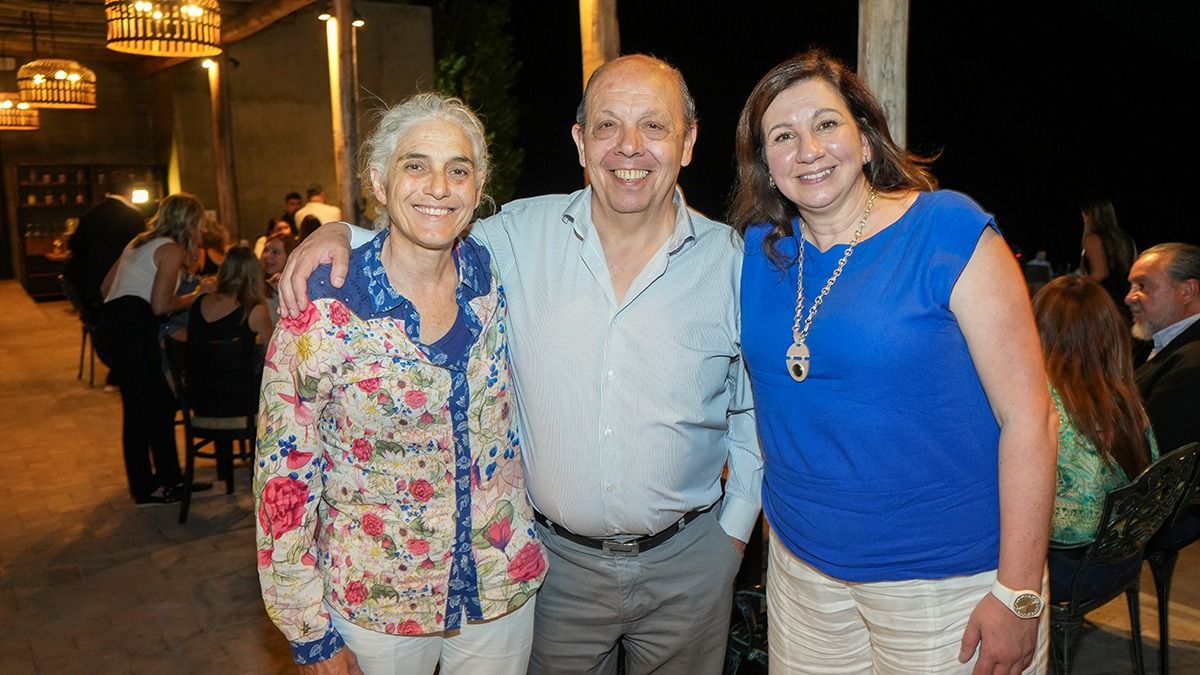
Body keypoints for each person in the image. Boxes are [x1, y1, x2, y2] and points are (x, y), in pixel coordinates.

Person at [277, 54, 762, 675]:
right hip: (556, 570)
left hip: (691, 562)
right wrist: (343, 232)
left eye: (655, 126)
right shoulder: (515, 236)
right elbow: (425, 231)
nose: (629, 147)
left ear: (689, 141)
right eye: (608, 126)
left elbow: (753, 408)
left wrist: (734, 534)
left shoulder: (731, 262)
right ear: (581, 142)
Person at [728, 49, 1056, 673]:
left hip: (948, 585)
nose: (808, 149)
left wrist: (1018, 593)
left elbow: (1031, 419)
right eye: (783, 136)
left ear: (867, 140)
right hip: (803, 581)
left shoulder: (946, 231)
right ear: (765, 165)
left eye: (826, 124)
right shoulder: (756, 256)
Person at [255, 93, 546, 675]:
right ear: (380, 182)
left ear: (478, 184)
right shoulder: (325, 307)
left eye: (457, 170)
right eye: (415, 165)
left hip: (498, 592)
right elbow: (282, 475)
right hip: (374, 606)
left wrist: (338, 227)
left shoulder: (493, 276)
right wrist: (308, 630)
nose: (438, 186)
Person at [96, 194, 215, 506]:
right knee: (140, 410)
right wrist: (199, 295)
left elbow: (105, 288)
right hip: (134, 328)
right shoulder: (171, 249)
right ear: (189, 223)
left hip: (114, 324)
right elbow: (162, 305)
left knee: (159, 403)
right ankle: (144, 488)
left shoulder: (139, 242)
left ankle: (171, 479)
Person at [1032, 276, 1156, 549]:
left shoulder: (1040, 397)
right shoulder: (1124, 396)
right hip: (1122, 552)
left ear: (1040, 329)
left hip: (1065, 559)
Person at [1127, 243, 1200, 453]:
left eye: (1142, 286)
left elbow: (1151, 450)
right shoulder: (1150, 343)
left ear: (1187, 291)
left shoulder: (1192, 364)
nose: (1129, 297)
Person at [188, 245, 274, 346]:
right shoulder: (255, 310)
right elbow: (273, 353)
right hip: (236, 361)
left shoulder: (199, 301)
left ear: (223, 269)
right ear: (256, 274)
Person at [1079, 198, 1137, 320]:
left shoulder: (1093, 239)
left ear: (1090, 216)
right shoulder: (1126, 239)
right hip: (1126, 298)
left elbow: (1100, 274)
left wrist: (1077, 284)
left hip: (1103, 300)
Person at [260, 231, 296, 322]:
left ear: (289, 256)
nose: (267, 256)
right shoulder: (256, 285)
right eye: (266, 250)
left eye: (275, 252)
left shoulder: (300, 287)